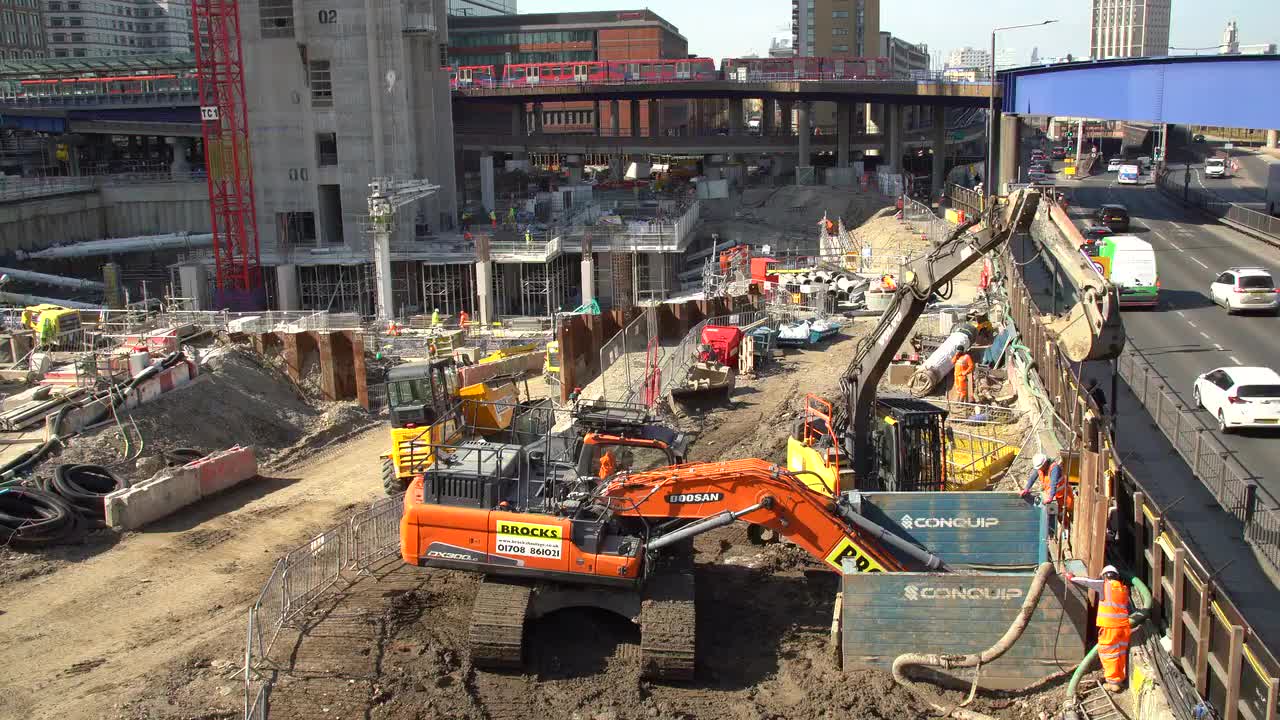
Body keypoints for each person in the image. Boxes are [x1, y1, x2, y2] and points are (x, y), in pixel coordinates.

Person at [1065, 565, 1132, 692]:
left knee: (1108, 654)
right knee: (1120, 654)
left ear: (1104, 576)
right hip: (1124, 627)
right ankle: (1119, 679)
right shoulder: (1123, 589)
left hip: (1110, 627)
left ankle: (1113, 683)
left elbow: (1088, 582)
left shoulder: (1105, 585)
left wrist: (1072, 578)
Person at [1022, 452, 1072, 533]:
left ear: (1045, 463)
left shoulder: (1054, 468)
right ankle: (1065, 529)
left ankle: (1069, 529)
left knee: (1068, 511)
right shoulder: (1040, 468)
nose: (1039, 469)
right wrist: (1026, 489)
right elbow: (1033, 477)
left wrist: (1050, 497)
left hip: (1064, 494)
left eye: (1041, 467)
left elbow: (1054, 483)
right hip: (1054, 495)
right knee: (1058, 514)